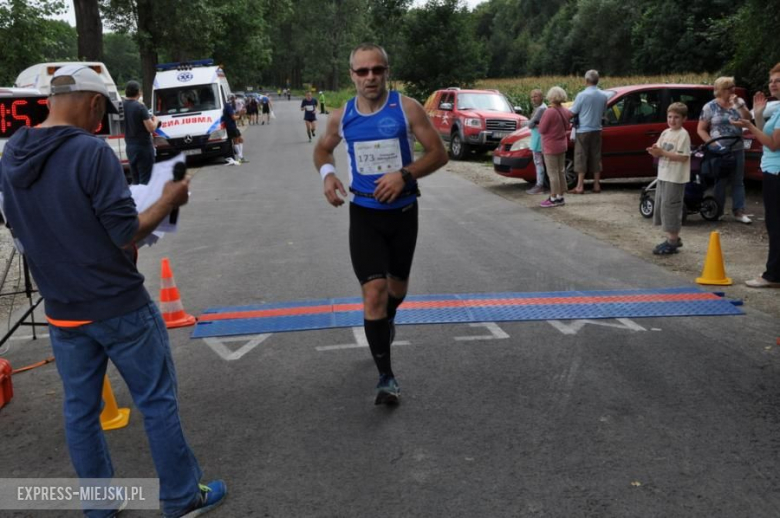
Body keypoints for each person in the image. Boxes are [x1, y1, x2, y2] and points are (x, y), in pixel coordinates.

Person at [0, 64, 226, 518]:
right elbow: (125, 231)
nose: (100, 119)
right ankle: (182, 497)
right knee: (156, 401)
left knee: (81, 412)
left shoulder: (12, 154)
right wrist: (168, 200)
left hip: (63, 310)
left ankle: (100, 505)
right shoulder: (90, 152)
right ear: (92, 102)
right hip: (118, 304)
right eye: (102, 110)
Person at [313, 43, 448, 405]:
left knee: (396, 291)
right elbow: (322, 150)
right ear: (352, 76)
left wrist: (404, 174)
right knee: (373, 293)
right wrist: (328, 175)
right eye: (363, 71)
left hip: (403, 214)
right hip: (365, 214)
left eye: (377, 70)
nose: (370, 77)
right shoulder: (342, 116)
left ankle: (388, 318)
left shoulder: (406, 108)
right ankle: (386, 377)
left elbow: (439, 153)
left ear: (387, 71)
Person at [732, 63, 780, 287]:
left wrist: (749, 126)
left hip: (777, 173)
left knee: (775, 224)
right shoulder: (777, 109)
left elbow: (772, 143)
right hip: (772, 171)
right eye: (771, 80)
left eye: (778, 81)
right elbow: (766, 134)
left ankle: (773, 275)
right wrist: (758, 117)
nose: (773, 84)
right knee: (773, 223)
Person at [697, 76, 752, 224]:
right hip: (719, 150)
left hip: (737, 147)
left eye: (733, 87)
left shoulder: (739, 103)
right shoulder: (710, 107)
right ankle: (718, 210)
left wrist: (739, 106)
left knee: (738, 180)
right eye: (728, 88)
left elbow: (749, 119)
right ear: (720, 91)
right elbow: (701, 129)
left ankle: (739, 211)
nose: (732, 90)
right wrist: (713, 144)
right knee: (720, 180)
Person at [647, 102, 691, 255]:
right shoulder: (666, 132)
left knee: (671, 206)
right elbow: (659, 150)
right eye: (670, 117)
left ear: (684, 119)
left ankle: (672, 240)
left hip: (675, 177)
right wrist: (654, 151)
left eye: (676, 117)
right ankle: (671, 237)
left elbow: (683, 157)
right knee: (662, 205)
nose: (672, 120)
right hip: (664, 174)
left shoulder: (683, 134)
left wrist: (663, 153)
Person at [570, 69, 608, 194]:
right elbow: (604, 112)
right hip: (597, 129)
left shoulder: (582, 95)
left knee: (581, 157)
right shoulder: (603, 96)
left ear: (586, 80)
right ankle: (596, 185)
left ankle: (580, 186)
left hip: (583, 130)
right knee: (596, 157)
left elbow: (573, 111)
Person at [537, 86, 572, 207]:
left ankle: (553, 197)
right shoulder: (565, 111)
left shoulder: (549, 111)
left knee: (552, 173)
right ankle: (560, 196)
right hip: (562, 145)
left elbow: (542, 129)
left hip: (550, 146)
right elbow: (568, 127)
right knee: (561, 171)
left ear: (551, 97)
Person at [122, 80, 157, 185]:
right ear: (139, 92)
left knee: (136, 180)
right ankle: (146, 201)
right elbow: (150, 128)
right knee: (146, 180)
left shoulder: (122, 106)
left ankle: (137, 200)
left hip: (129, 147)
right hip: (143, 147)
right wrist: (156, 120)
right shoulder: (140, 107)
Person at [523, 88, 548, 195]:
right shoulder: (540, 107)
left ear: (541, 97)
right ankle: (540, 183)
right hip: (537, 137)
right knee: (539, 162)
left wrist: (528, 122)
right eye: (532, 97)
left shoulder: (541, 109)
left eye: (536, 96)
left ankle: (539, 185)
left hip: (538, 138)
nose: (533, 99)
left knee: (538, 162)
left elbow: (530, 124)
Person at [223, 94, 246, 163]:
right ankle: (240, 157)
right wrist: (240, 115)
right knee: (236, 140)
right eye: (234, 98)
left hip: (232, 125)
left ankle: (241, 156)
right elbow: (233, 117)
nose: (235, 100)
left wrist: (239, 113)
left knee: (240, 140)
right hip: (231, 126)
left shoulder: (228, 106)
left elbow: (233, 115)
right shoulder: (228, 106)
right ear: (231, 99)